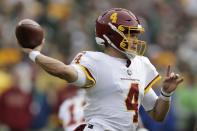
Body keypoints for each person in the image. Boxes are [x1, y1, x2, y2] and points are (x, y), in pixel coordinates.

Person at [21, 8, 183, 131]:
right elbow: (64, 71)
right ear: (111, 35)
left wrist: (166, 94)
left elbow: (157, 114)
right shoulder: (94, 61)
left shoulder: (142, 64)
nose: (135, 40)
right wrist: (35, 54)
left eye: (136, 35)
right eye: (130, 34)